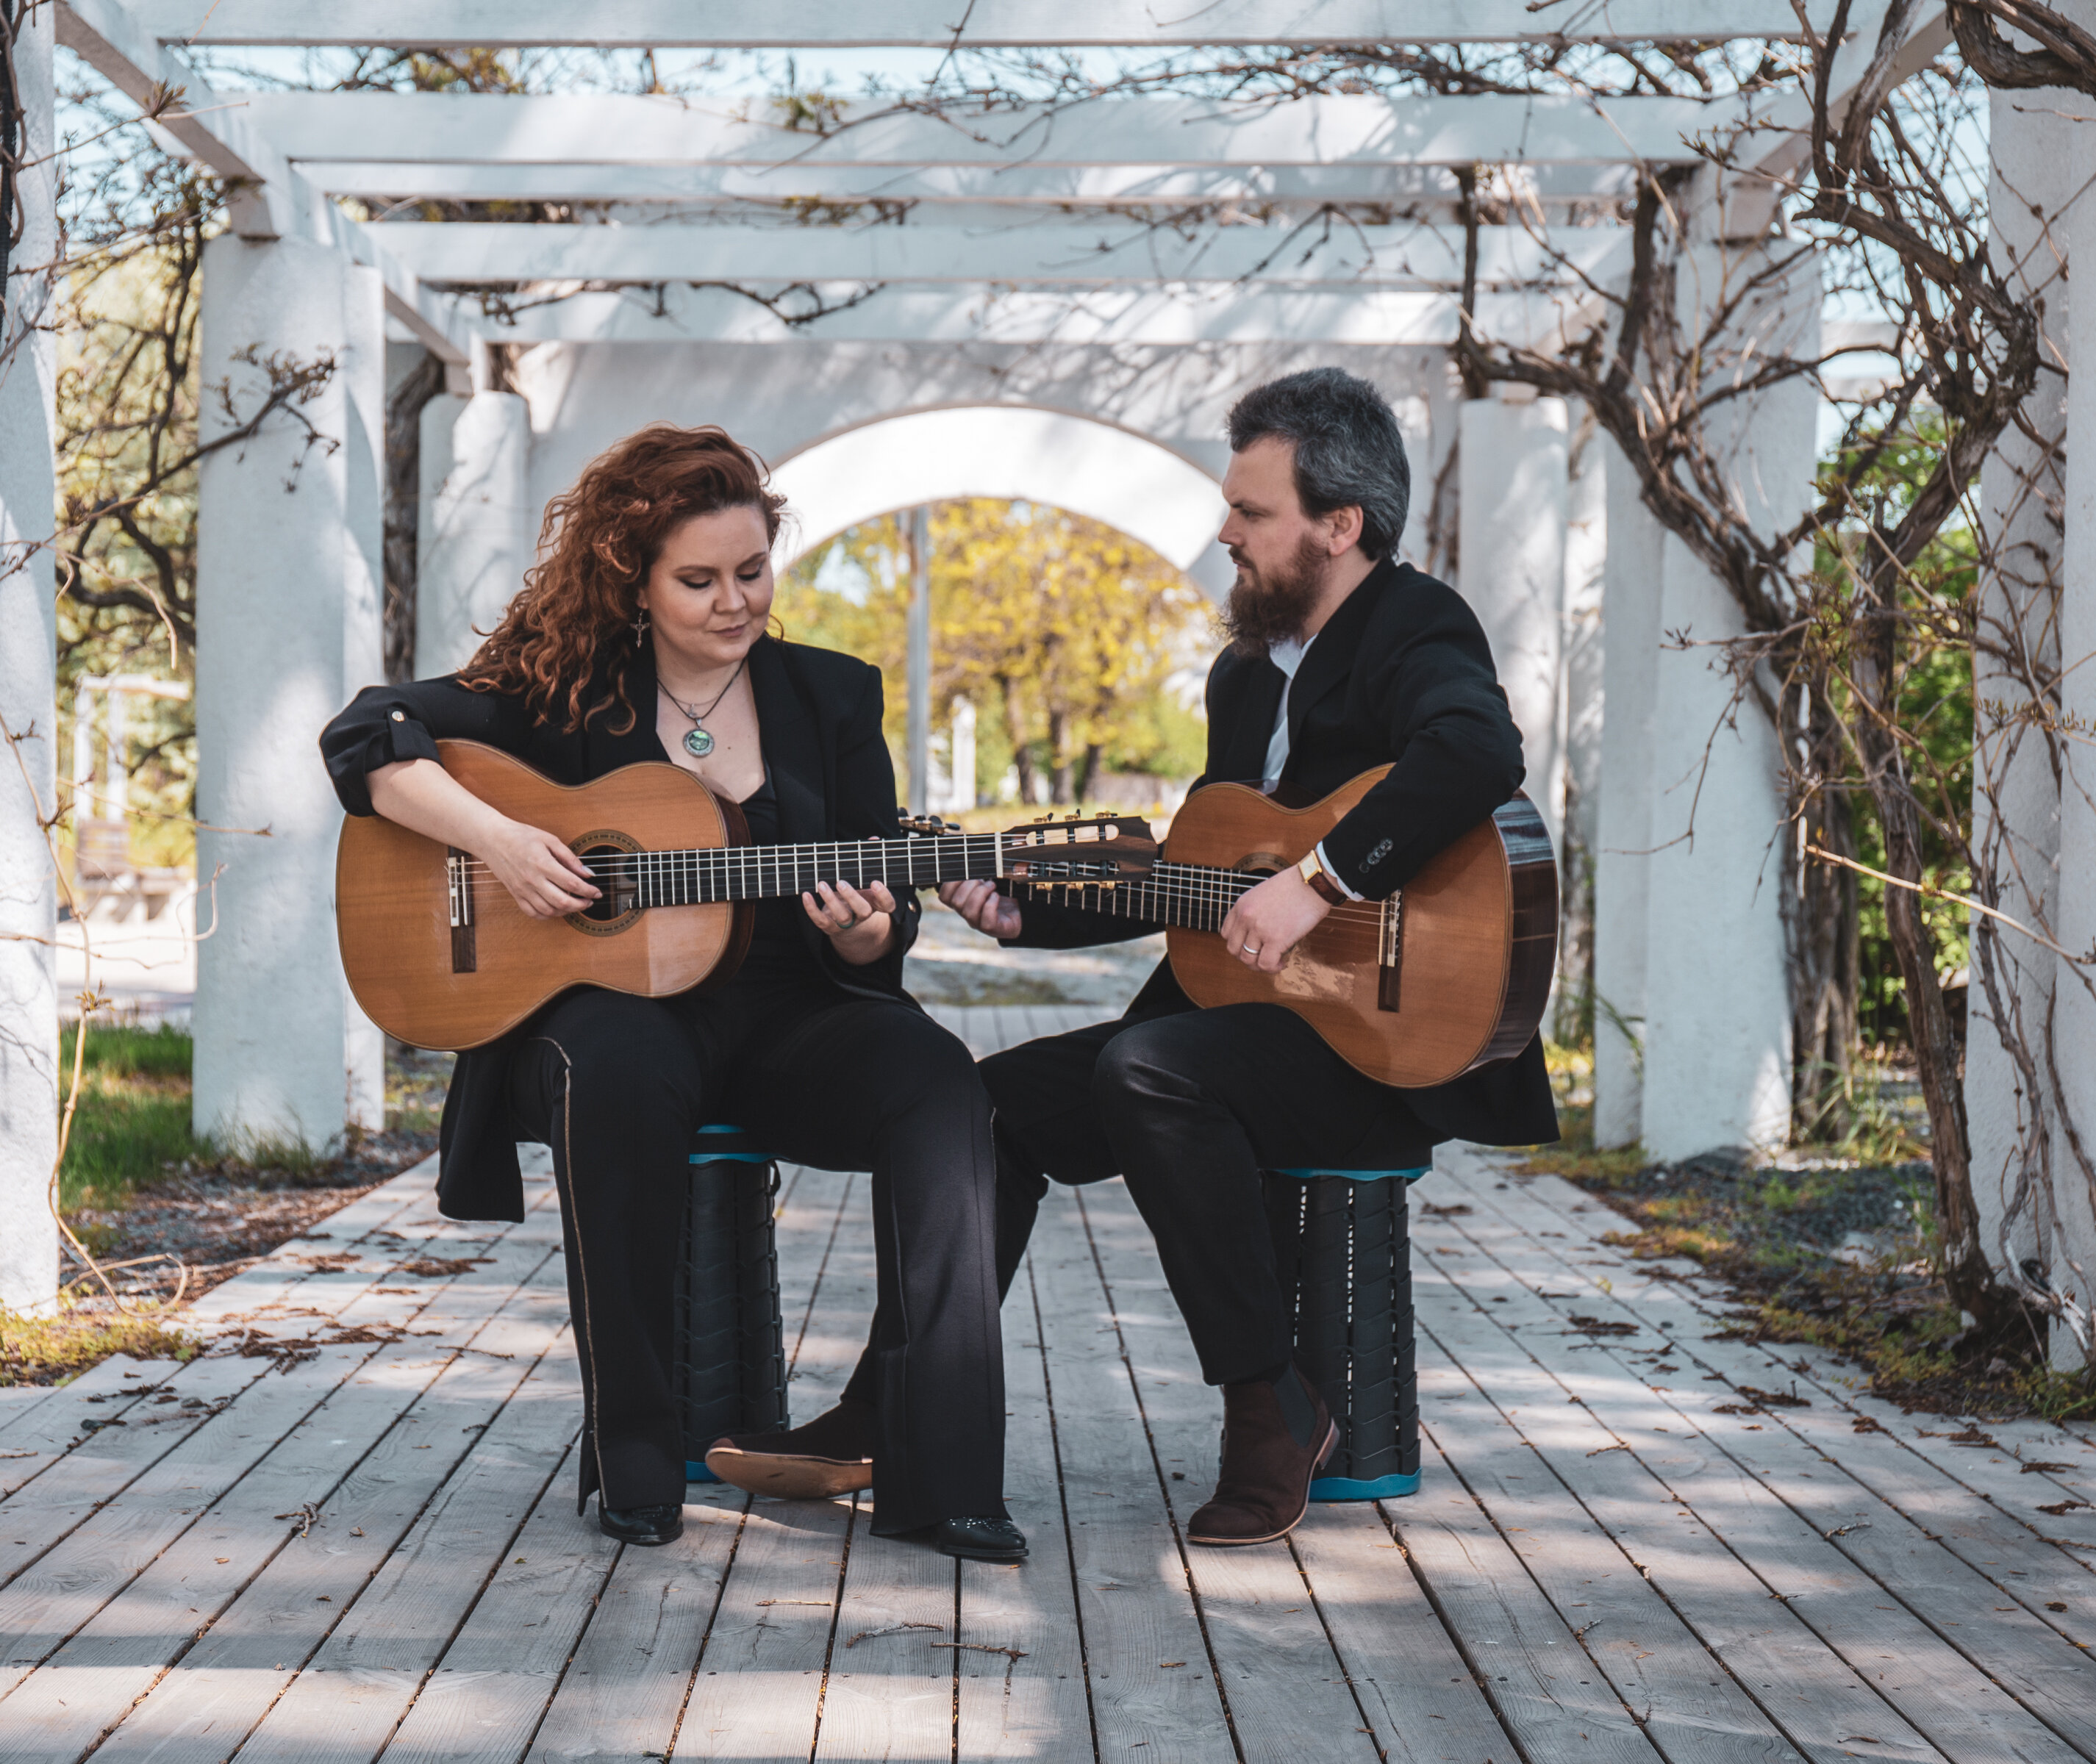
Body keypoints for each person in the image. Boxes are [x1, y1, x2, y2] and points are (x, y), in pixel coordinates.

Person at [710, 368, 1559, 1546]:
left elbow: (1476, 755)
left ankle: (1271, 1407)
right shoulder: (1244, 674)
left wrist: (1320, 886)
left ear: (1340, 526)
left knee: (1150, 1066)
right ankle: (886, 1408)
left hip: (1387, 1050)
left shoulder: (1415, 626)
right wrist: (1024, 914)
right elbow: (1206, 883)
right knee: (983, 1103)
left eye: (1252, 512)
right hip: (1240, 1031)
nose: (1225, 531)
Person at [319, 424, 1023, 1563]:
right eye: (698, 580)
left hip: (796, 1018)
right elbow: (366, 737)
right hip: (623, 1014)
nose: (734, 602)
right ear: (632, 580)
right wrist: (498, 839)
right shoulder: (561, 692)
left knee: (943, 1083)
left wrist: (870, 934)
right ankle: (637, 1459)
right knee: (618, 1069)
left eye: (753, 572)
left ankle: (941, 1474)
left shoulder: (833, 695)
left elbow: (875, 942)